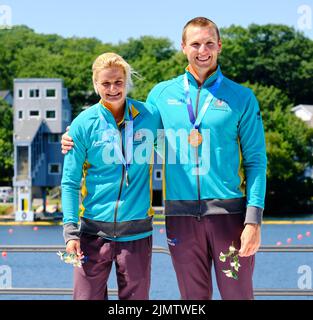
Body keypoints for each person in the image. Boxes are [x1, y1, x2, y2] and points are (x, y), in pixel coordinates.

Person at [62, 17, 267, 300]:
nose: (202, 50)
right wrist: (74, 133)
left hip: (229, 218)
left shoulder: (242, 98)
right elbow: (125, 127)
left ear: (219, 45)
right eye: (195, 43)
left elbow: (257, 162)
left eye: (209, 43)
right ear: (183, 47)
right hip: (180, 218)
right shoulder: (160, 95)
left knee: (239, 297)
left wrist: (253, 221)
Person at [61, 52, 161, 300]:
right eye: (106, 83)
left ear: (126, 81)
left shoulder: (149, 116)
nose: (113, 89)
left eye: (118, 82)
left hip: (137, 233)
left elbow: (175, 153)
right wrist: (70, 233)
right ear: (96, 84)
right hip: (92, 234)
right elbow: (70, 183)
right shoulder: (83, 124)